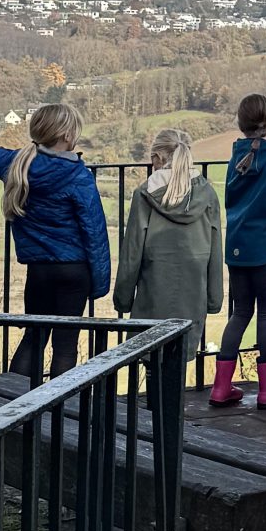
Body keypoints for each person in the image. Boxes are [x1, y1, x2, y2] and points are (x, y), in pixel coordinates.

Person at [0, 102, 111, 380]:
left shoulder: (19, 163)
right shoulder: (78, 175)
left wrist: (24, 152)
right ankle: (59, 404)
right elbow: (95, 232)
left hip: (39, 269)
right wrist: (100, 283)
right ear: (67, 135)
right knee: (65, 345)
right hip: (74, 270)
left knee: (34, 337)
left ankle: (14, 400)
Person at [214, 93, 266, 407]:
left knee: (240, 314)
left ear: (241, 122)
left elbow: (230, 203)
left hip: (237, 248)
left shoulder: (235, 156)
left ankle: (221, 387)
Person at [113, 127, 223, 368]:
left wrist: (123, 299)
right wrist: (214, 299)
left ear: (156, 158)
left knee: (152, 358)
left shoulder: (145, 194)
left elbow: (132, 252)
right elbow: (215, 251)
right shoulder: (207, 194)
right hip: (193, 293)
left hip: (152, 292)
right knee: (178, 361)